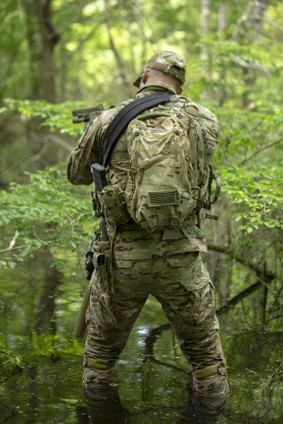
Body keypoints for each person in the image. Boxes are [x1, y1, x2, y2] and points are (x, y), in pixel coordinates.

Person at [67, 50, 228, 408]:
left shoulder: (109, 119)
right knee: (206, 364)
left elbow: (76, 173)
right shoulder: (203, 119)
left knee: (100, 362)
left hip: (121, 259)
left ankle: (103, 411)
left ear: (144, 75)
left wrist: (102, 137)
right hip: (182, 257)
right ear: (180, 83)